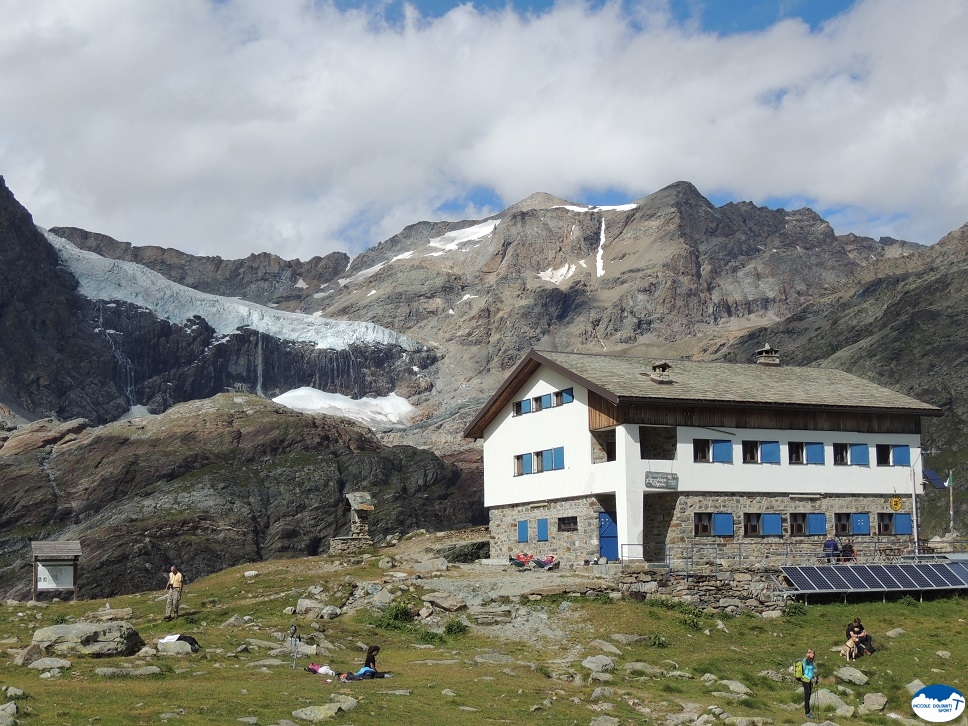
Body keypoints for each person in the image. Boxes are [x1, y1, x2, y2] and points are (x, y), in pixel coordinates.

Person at [798, 648, 819, 718]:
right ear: (809, 653)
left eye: (813, 653)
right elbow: (804, 668)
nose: (813, 655)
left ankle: (808, 711)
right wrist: (807, 656)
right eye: (811, 653)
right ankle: (807, 712)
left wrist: (814, 678)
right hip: (805, 680)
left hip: (809, 680)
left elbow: (811, 672)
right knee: (807, 696)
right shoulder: (806, 660)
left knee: (809, 695)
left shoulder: (811, 662)